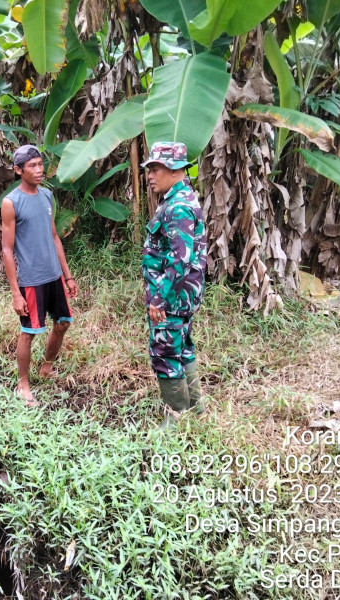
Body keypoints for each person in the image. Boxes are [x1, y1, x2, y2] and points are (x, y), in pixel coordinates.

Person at [1, 144, 78, 406]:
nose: (39, 169)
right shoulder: (11, 202)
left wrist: (67, 276)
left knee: (64, 322)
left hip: (54, 276)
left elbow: (54, 236)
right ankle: (23, 384)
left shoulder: (46, 196)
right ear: (18, 170)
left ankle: (46, 367)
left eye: (40, 164)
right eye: (31, 166)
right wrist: (15, 292)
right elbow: (7, 249)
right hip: (31, 281)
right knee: (29, 331)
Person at [141, 141, 208, 427]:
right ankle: (196, 409)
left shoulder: (178, 207)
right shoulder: (178, 199)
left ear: (175, 169)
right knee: (183, 348)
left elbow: (180, 260)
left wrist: (159, 299)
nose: (150, 175)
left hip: (171, 298)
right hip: (182, 296)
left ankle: (176, 419)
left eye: (155, 168)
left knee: (166, 354)